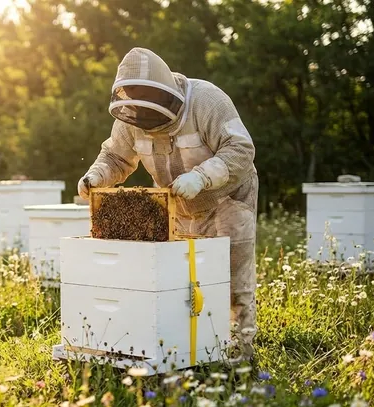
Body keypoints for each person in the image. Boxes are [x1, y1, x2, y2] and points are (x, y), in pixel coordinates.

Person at [77, 47, 258, 363]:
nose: (147, 123)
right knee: (180, 282)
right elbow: (116, 156)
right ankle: (190, 348)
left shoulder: (207, 101)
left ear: (166, 96)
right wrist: (96, 175)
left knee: (230, 276)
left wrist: (201, 177)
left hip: (227, 199)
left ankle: (241, 351)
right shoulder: (133, 115)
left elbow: (241, 150)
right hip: (177, 205)